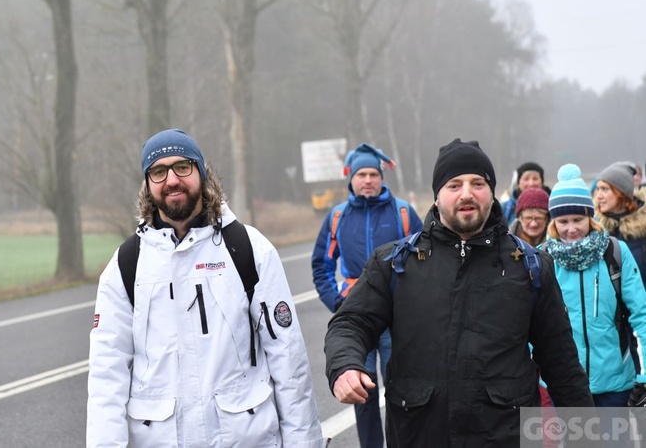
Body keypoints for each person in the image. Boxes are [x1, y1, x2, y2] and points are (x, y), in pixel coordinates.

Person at [325, 138, 593, 447]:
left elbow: (563, 366)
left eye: (477, 183)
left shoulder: (530, 266)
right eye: (454, 185)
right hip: (418, 435)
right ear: (437, 196)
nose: (466, 193)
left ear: (492, 193)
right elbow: (350, 323)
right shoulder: (395, 264)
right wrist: (345, 365)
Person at [87, 129, 328, 447]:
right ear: (148, 183)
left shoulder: (248, 249)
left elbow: (287, 358)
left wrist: (304, 442)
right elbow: (108, 372)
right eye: (159, 171)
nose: (172, 180)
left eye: (182, 167)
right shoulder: (127, 264)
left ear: (202, 173)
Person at [311, 143, 422, 448]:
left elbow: (426, 259)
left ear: (381, 177)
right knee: (363, 396)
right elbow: (321, 265)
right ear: (352, 179)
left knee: (403, 394)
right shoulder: (337, 217)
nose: (368, 180)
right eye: (362, 174)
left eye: (374, 174)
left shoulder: (402, 212)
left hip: (396, 320)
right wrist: (337, 302)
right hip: (358, 318)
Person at [545, 163, 646, 407]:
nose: (571, 229)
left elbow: (641, 315)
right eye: (563, 221)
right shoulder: (543, 260)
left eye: (578, 219)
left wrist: (643, 375)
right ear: (554, 222)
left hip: (615, 383)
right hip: (564, 385)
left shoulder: (615, 252)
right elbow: (528, 323)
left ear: (590, 217)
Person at [594, 161, 646, 287]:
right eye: (598, 189)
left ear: (621, 193)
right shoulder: (595, 229)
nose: (599, 196)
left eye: (605, 189)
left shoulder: (642, 229)